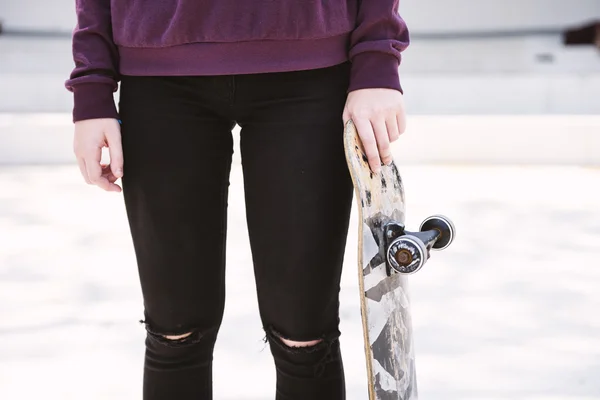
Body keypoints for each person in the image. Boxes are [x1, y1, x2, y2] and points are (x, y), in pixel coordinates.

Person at [65, 1, 409, 399]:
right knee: (174, 333)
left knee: (305, 337)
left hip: (310, 68)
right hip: (159, 75)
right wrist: (91, 85)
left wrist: (377, 59)